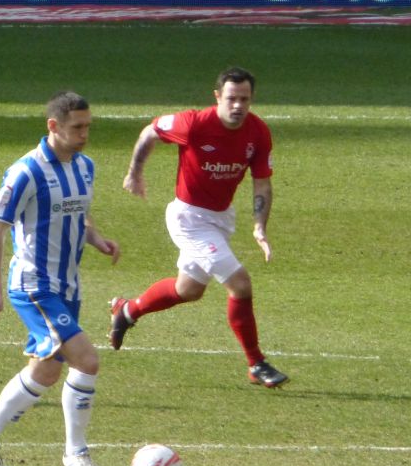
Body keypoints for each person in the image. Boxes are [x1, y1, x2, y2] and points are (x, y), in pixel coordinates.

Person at [0, 91, 120, 466]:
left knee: (46, 371)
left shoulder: (85, 167)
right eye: (77, 127)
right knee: (87, 360)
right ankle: (76, 453)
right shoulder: (25, 172)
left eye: (88, 126)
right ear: (53, 126)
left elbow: (78, 213)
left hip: (68, 286)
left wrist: (97, 239)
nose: (85, 134)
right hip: (33, 285)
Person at [110, 66, 288, 389]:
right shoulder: (193, 123)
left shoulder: (258, 132)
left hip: (221, 219)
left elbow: (262, 184)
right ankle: (256, 363)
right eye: (231, 98)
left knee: (188, 290)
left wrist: (259, 227)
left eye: (244, 99)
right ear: (217, 97)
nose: (238, 106)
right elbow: (151, 131)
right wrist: (134, 172)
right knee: (240, 284)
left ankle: (127, 311)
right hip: (189, 219)